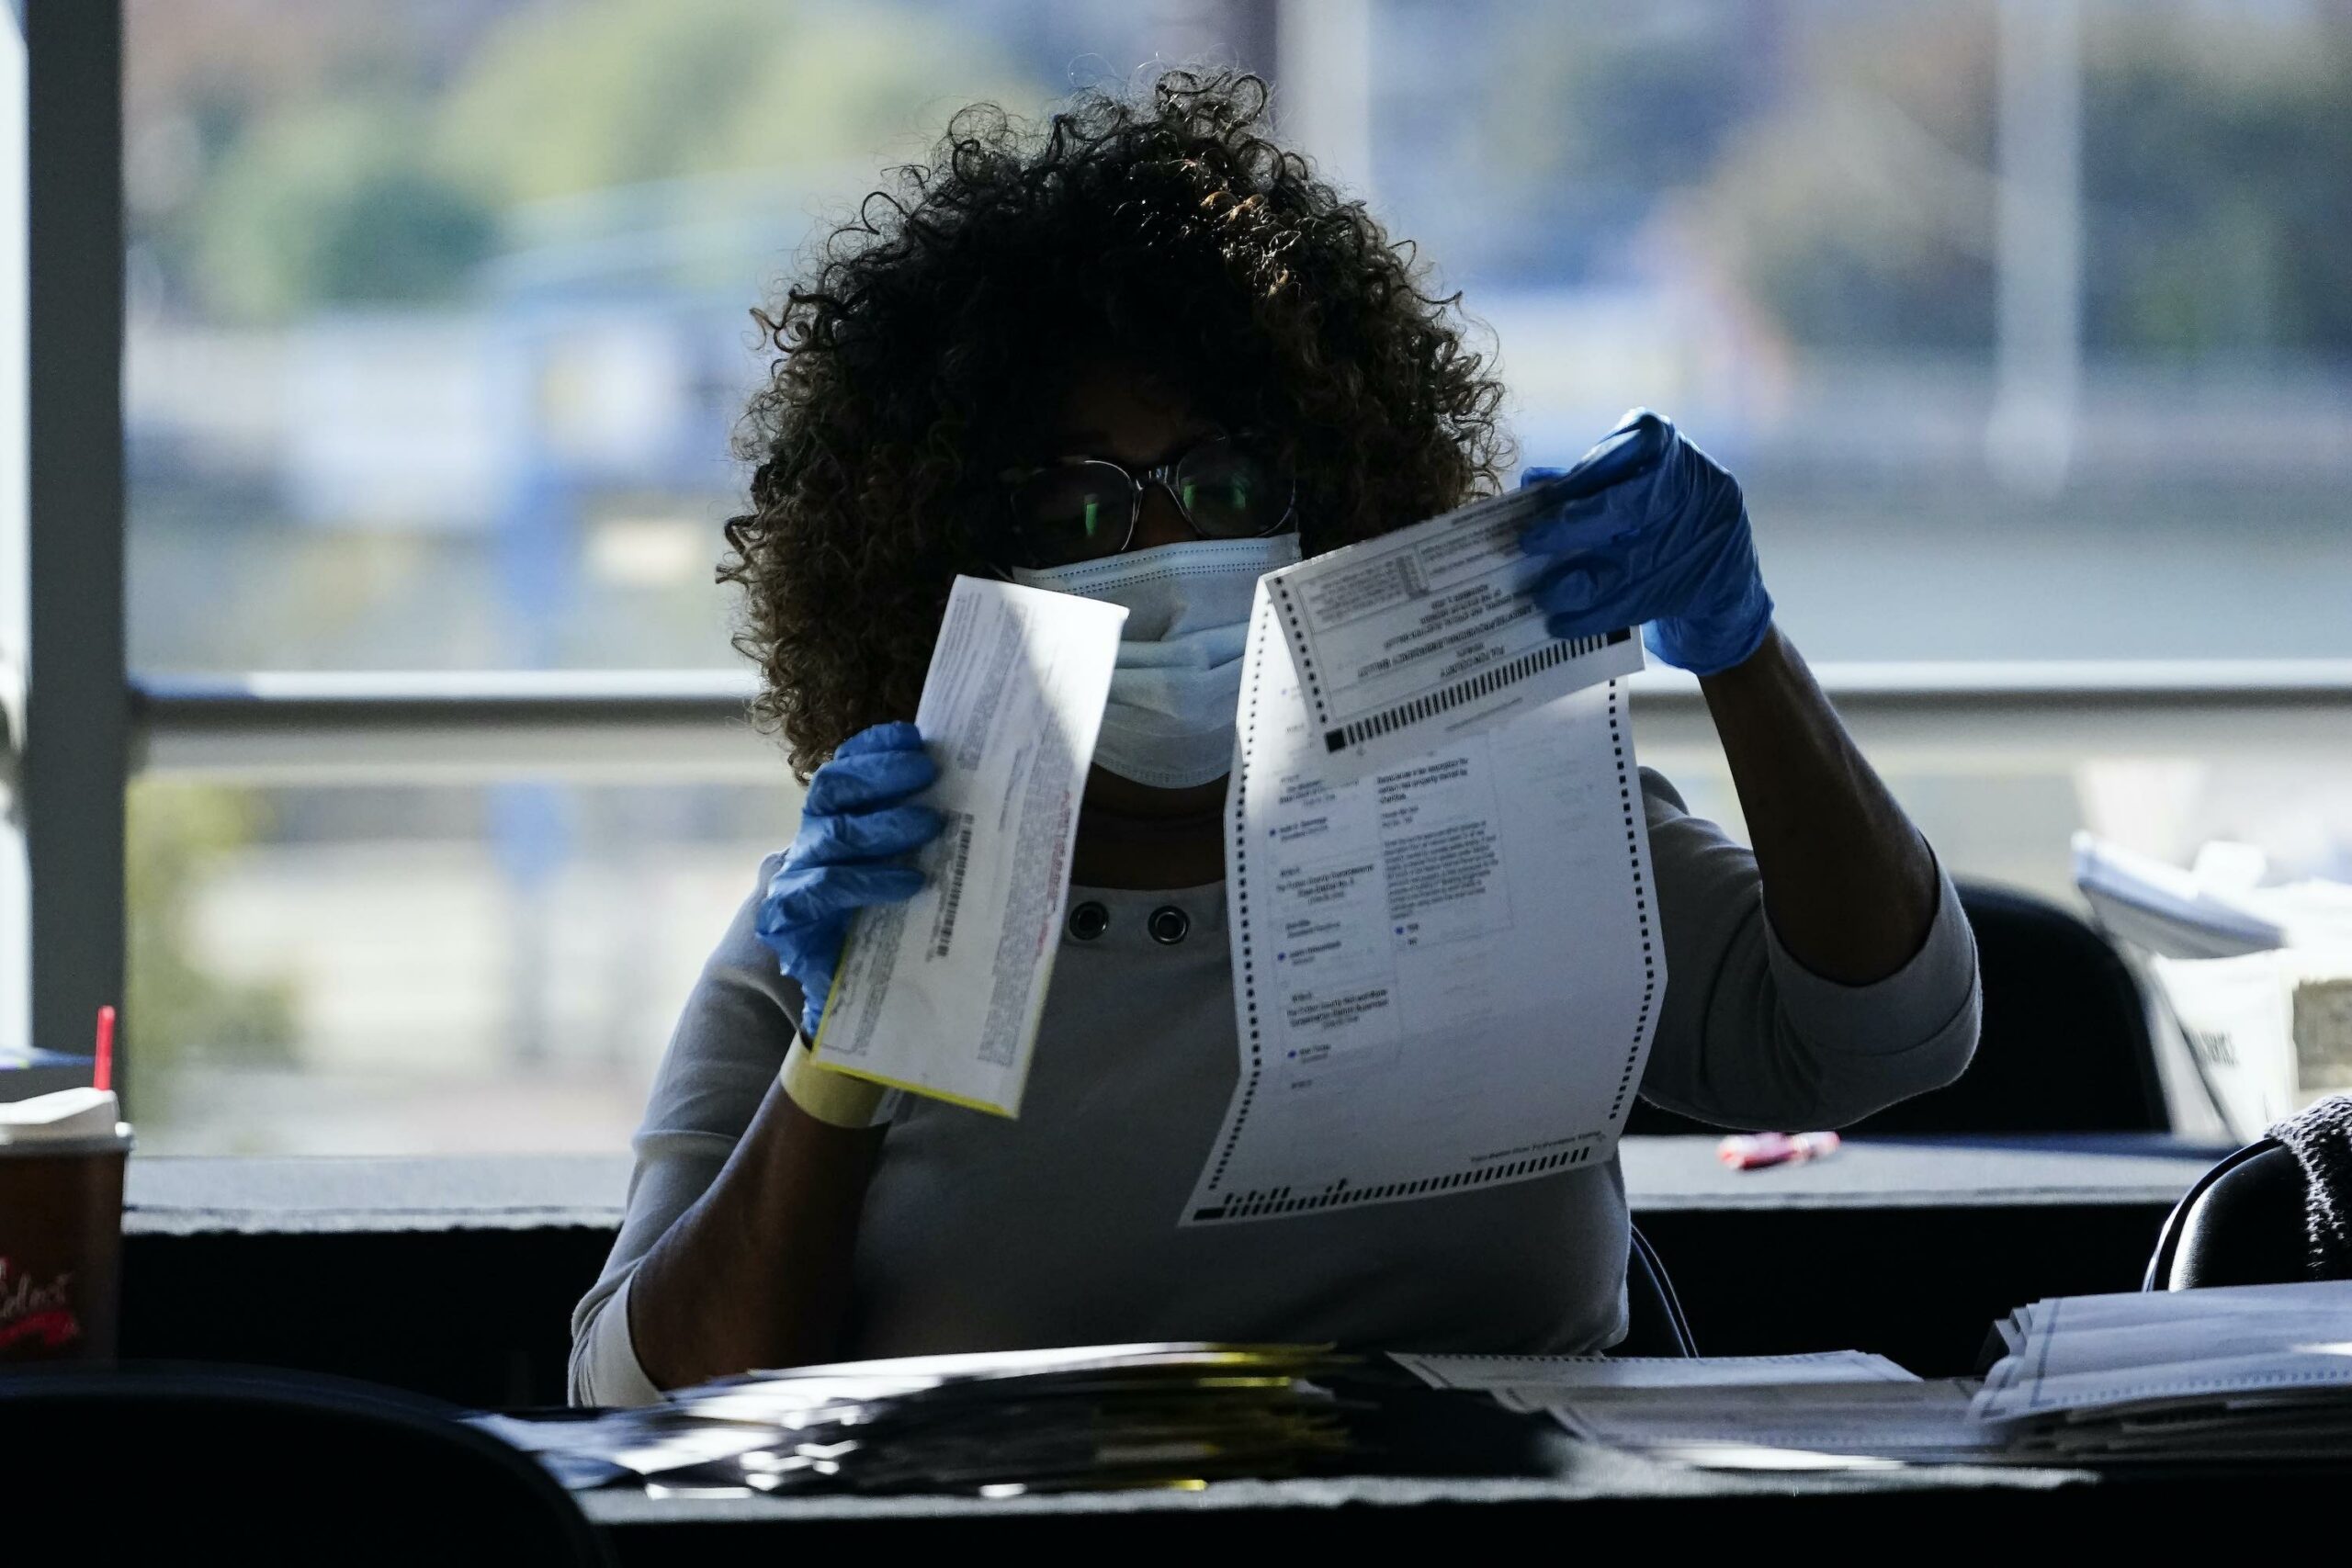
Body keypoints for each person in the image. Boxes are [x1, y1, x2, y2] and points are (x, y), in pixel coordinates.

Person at [571, 71, 1979, 1404]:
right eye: (1075, 513)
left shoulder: (1497, 814)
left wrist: (1742, 652)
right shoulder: (856, 912)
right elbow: (642, 1393)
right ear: (936, 565)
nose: (1171, 548)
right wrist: (846, 1054)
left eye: (1228, 482)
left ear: (1338, 494)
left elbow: (1884, 1032)